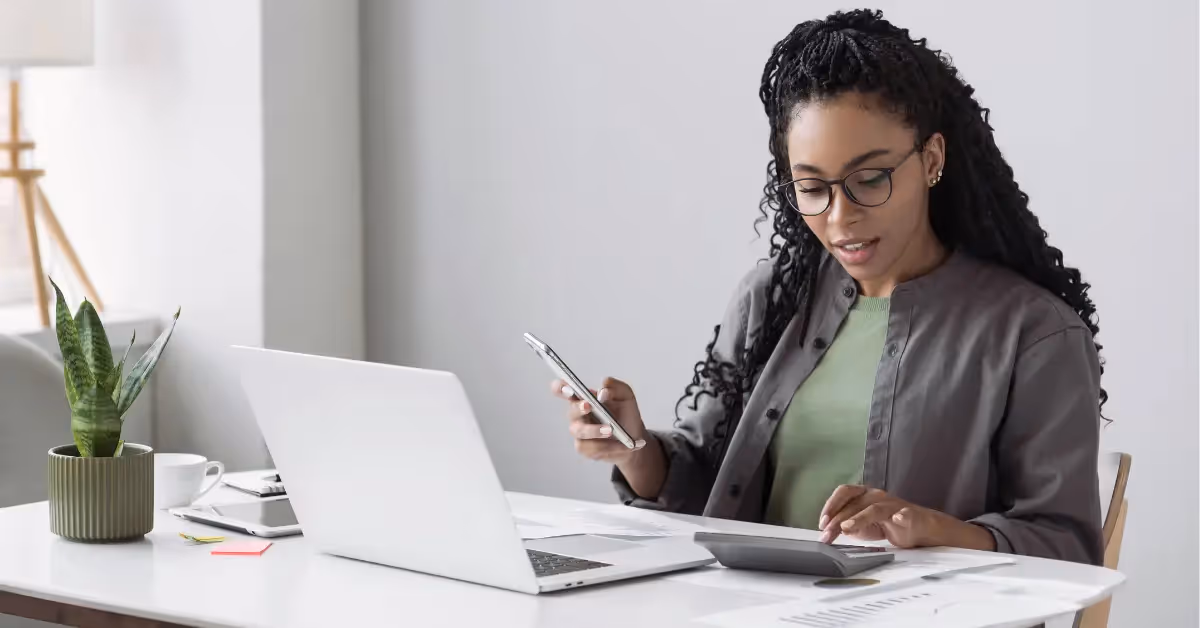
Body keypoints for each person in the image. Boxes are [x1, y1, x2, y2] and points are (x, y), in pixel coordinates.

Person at [551, 9, 1104, 565]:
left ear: (931, 159)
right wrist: (635, 447)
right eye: (812, 188)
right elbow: (714, 488)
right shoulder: (773, 298)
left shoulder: (1034, 335)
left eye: (869, 179)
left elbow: (1068, 546)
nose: (840, 218)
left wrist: (928, 528)